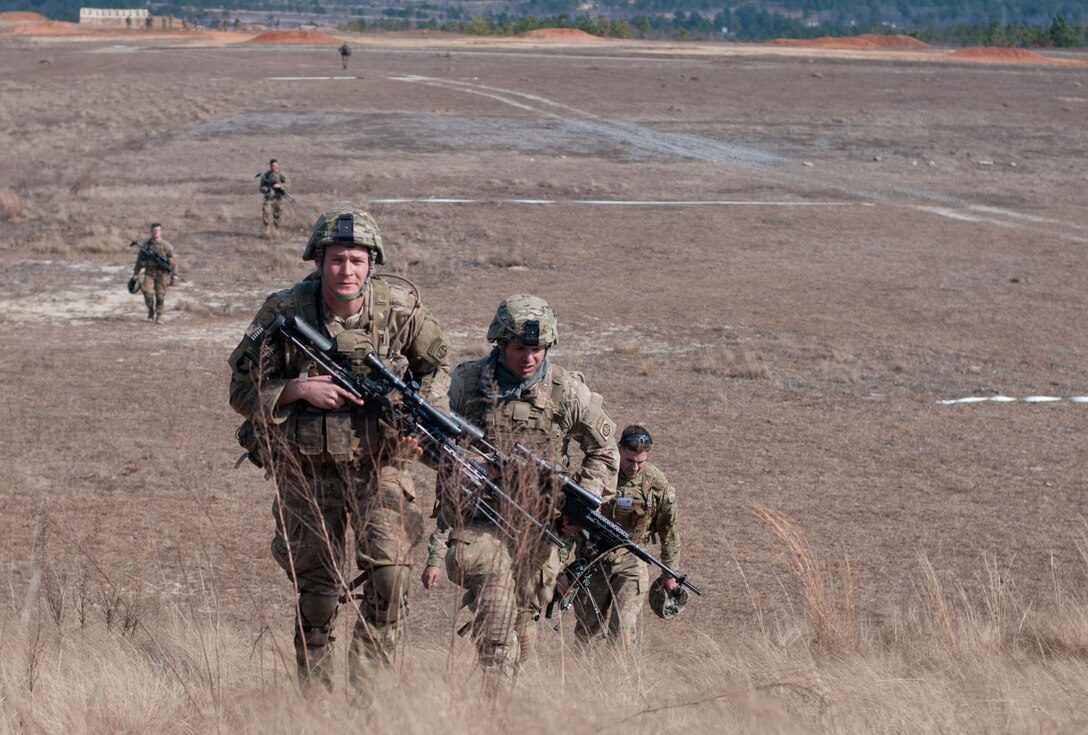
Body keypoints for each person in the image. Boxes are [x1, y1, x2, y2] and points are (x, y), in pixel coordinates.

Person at [228, 207, 451, 691]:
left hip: (380, 465)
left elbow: (437, 367)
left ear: (371, 262)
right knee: (318, 593)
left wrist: (422, 416)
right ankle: (317, 699)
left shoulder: (400, 308)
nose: (346, 270)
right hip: (307, 470)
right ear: (317, 260)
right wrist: (296, 391)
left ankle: (367, 695)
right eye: (335, 260)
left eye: (356, 260)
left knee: (390, 580)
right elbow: (240, 391)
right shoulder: (283, 310)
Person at [421, 294, 618, 678]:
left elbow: (605, 451)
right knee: (495, 618)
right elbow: (426, 434)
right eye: (519, 349)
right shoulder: (465, 384)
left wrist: (580, 505)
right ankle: (496, 706)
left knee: (522, 627)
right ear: (499, 343)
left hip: (541, 527)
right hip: (480, 520)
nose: (529, 358)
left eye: (537, 349)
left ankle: (508, 705)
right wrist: (467, 463)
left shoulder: (567, 392)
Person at [570, 425, 680, 647]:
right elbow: (569, 522)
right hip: (594, 560)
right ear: (618, 449)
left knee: (622, 633)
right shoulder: (597, 476)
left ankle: (619, 678)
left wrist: (670, 573)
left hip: (632, 560)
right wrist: (564, 568)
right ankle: (581, 679)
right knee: (587, 633)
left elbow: (669, 530)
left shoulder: (656, 484)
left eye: (640, 462)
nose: (634, 467)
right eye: (630, 460)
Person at [131, 222, 178, 323]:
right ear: (151, 231)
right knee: (147, 292)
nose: (155, 232)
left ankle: (159, 315)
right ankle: (151, 311)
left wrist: (174, 275)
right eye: (154, 230)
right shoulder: (146, 245)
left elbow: (173, 262)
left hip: (162, 274)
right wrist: (136, 273)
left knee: (160, 296)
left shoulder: (166, 246)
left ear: (160, 232)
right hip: (149, 273)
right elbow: (139, 261)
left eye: (157, 230)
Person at [258, 159, 289, 238]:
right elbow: (261, 187)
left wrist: (280, 186)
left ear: (277, 166)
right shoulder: (266, 175)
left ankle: (277, 230)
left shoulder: (281, 175)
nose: (273, 167)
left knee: (278, 214)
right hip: (269, 197)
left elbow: (288, 183)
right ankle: (267, 230)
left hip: (278, 198)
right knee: (266, 212)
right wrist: (264, 189)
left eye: (275, 165)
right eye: (272, 166)